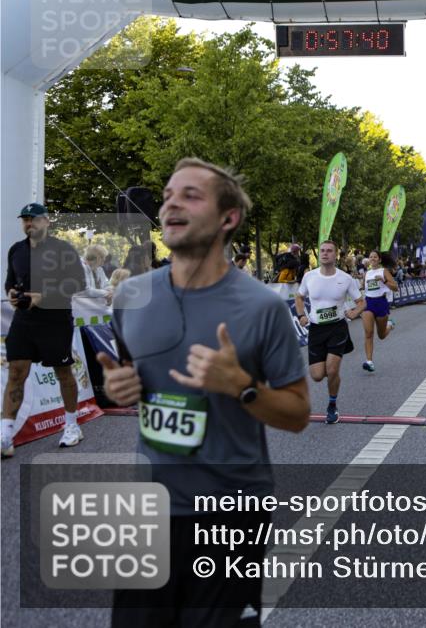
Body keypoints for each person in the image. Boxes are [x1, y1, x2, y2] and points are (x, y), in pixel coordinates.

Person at [98, 158, 310, 625]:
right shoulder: (131, 296)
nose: (172, 202)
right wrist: (119, 390)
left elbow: (297, 414)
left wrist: (241, 387)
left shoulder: (262, 307)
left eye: (191, 195)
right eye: (169, 195)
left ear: (228, 218)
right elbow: (128, 384)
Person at [2, 203, 86, 456]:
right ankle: (5, 434)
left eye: (34, 219)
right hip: (24, 320)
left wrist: (43, 296)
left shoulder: (63, 249)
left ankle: (71, 425)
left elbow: (78, 283)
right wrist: (12, 295)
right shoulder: (16, 250)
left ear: (47, 221)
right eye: (25, 219)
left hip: (55, 320)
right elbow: (9, 282)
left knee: (63, 371)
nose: (29, 223)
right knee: (16, 372)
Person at [296, 240, 365, 423]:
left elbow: (361, 302)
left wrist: (355, 312)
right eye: (322, 251)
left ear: (335, 255)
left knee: (332, 369)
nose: (325, 253)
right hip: (316, 329)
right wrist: (301, 315)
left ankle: (332, 405)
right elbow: (299, 296)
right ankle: (331, 375)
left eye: (329, 251)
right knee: (318, 375)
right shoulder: (309, 276)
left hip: (337, 327)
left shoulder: (345, 278)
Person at [360, 251, 398, 373]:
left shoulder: (384, 271)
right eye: (370, 257)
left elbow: (395, 287)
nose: (372, 258)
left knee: (381, 335)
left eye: (375, 257)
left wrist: (384, 281)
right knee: (368, 333)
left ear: (379, 260)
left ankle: (389, 326)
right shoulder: (367, 273)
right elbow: (364, 288)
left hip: (381, 303)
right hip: (368, 303)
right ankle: (369, 361)